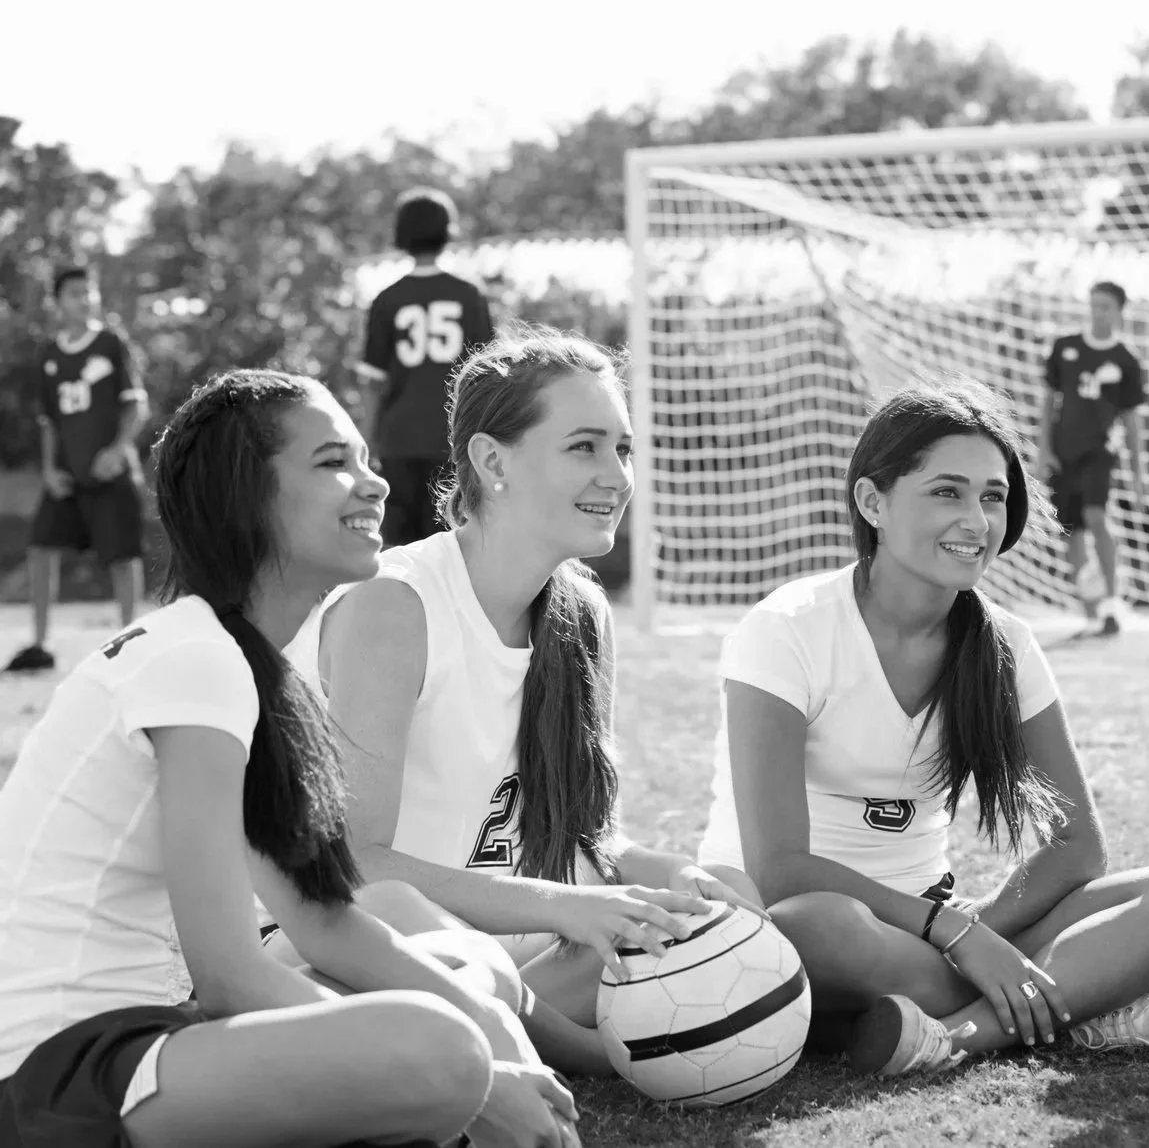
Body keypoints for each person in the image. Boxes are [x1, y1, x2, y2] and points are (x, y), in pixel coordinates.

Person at [0, 368, 581, 1148]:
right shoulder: (194, 662)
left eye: (366, 457)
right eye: (332, 461)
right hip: (62, 1071)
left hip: (155, 1044)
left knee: (461, 970)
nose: (373, 482)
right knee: (437, 1051)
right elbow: (230, 975)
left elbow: (325, 921)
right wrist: (480, 1079)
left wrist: (488, 1031)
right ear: (248, 495)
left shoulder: (252, 672)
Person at [699, 377, 1149, 1077]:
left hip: (940, 930)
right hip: (803, 928)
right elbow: (781, 868)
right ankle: (1075, 1000)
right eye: (946, 491)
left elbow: (1076, 844)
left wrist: (977, 932)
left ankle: (954, 1036)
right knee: (817, 924)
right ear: (871, 501)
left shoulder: (1006, 644)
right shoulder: (786, 629)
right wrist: (958, 936)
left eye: (992, 496)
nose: (976, 519)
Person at [289, 323, 753, 1078]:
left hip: (511, 946)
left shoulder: (580, 613)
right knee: (437, 952)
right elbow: (357, 863)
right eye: (583, 446)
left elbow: (584, 838)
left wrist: (667, 874)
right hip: (374, 943)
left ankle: (523, 1023)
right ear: (492, 460)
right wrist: (562, 907)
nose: (616, 474)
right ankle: (566, 1045)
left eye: (622, 448)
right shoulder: (393, 606)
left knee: (719, 906)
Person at [6, 265, 148, 673]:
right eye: (74, 293)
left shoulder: (110, 343)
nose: (84, 299)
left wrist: (117, 451)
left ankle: (129, 644)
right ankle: (39, 645)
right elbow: (49, 421)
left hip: (109, 474)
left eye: (89, 292)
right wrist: (49, 470)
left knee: (122, 558)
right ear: (57, 302)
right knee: (40, 548)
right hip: (66, 478)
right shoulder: (50, 354)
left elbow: (136, 405)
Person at [356, 187, 495, 547]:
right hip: (455, 438)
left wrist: (368, 441)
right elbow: (488, 375)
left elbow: (373, 383)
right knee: (450, 543)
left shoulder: (386, 299)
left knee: (400, 546)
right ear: (448, 231)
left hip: (398, 438)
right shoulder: (469, 295)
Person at [1036, 281, 1146, 637]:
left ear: (1119, 312)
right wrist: (1044, 450)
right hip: (1063, 455)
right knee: (1072, 532)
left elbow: (1130, 422)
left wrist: (1137, 474)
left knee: (1096, 516)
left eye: (1106, 307)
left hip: (1101, 452)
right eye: (1094, 305)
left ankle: (1113, 601)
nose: (1098, 312)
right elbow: (1049, 400)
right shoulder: (1065, 347)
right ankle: (1092, 610)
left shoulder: (1126, 360)